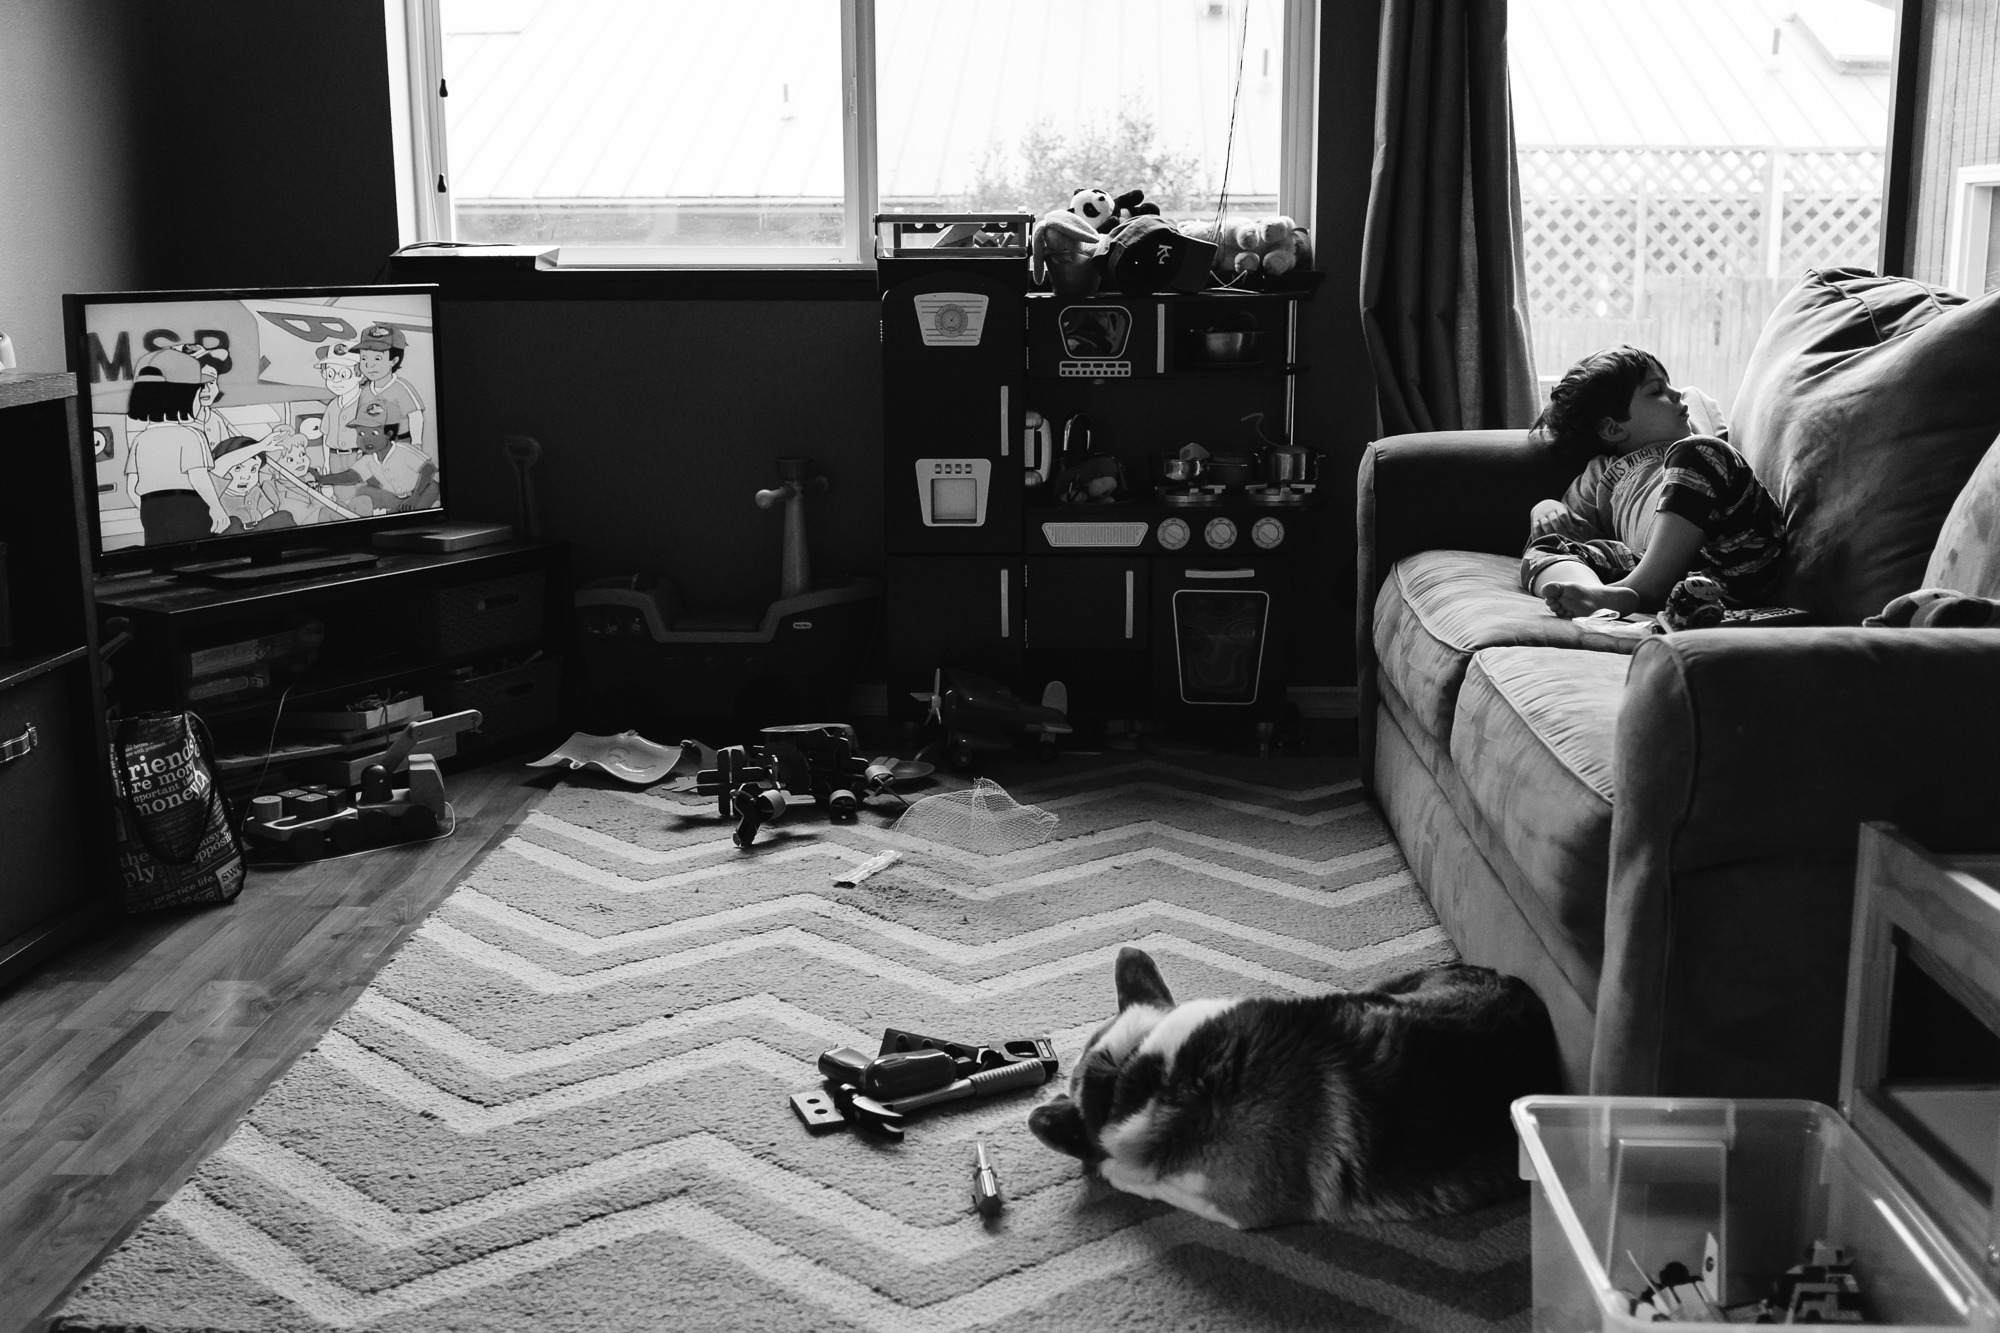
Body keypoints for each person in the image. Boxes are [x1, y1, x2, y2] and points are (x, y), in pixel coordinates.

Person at [1521, 345, 1787, 619]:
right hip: (1666, 577)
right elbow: (1571, 536)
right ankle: (1595, 596)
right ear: (1613, 428)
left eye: (1670, 385)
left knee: (1698, 450)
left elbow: (1696, 401)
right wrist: (1544, 507)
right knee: (1545, 548)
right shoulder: (1599, 473)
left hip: (1732, 555)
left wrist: (1663, 389)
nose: (1676, 394)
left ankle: (1641, 589)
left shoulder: (1693, 438)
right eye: (1656, 391)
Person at [123, 348, 230, 543]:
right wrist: (216, 507)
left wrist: (150, 513)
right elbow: (198, 476)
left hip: (151, 508)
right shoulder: (191, 435)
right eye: (198, 393)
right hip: (188, 507)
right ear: (182, 397)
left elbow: (132, 487)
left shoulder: (141, 439)